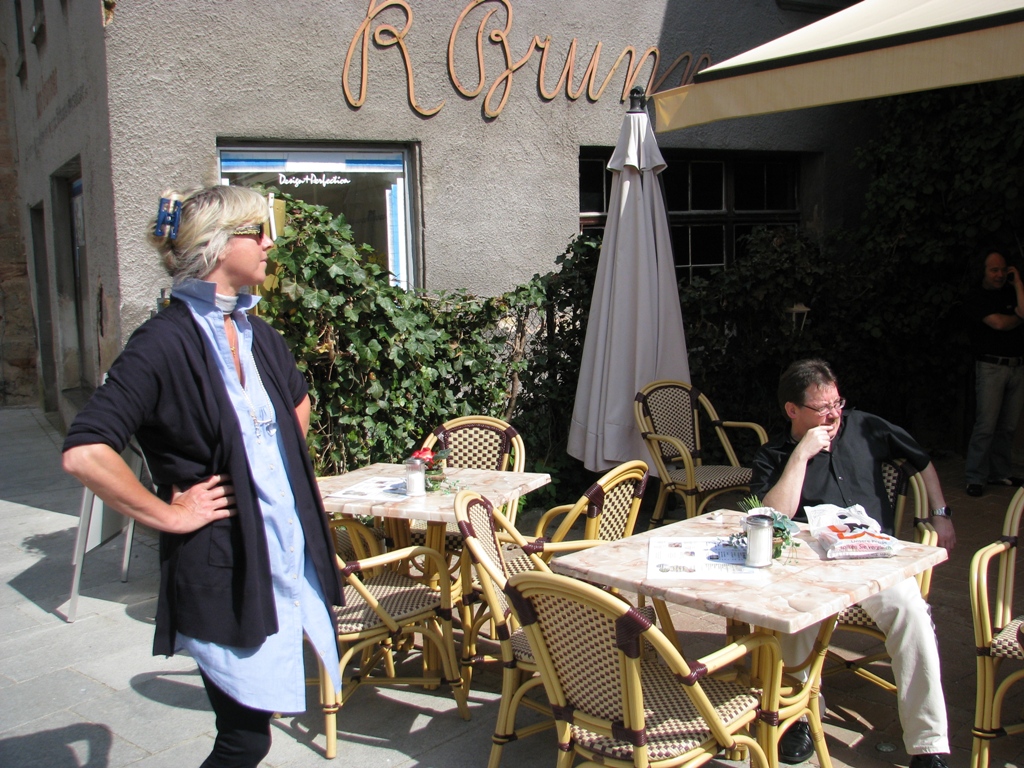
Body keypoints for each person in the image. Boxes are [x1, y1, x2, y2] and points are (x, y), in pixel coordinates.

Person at [62, 185, 343, 768]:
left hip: (278, 558)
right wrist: (169, 514)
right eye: (257, 232)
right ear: (218, 245)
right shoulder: (163, 342)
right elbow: (86, 452)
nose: (269, 244)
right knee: (244, 740)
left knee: (252, 730)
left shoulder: (257, 334)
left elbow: (297, 403)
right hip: (223, 567)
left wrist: (267, 457)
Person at [750, 359, 956, 768]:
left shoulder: (865, 427)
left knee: (912, 612)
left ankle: (929, 745)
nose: (834, 415)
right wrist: (802, 455)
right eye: (822, 408)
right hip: (809, 566)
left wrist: (941, 512)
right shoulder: (774, 455)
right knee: (791, 613)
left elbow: (921, 460)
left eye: (837, 403)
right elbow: (772, 519)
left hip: (875, 559)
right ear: (792, 410)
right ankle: (799, 717)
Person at [963, 247, 1024, 497]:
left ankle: (1000, 473)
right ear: (984, 271)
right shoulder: (976, 296)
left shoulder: (1012, 292)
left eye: (1003, 269)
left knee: (1008, 426)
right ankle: (975, 477)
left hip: (1017, 366)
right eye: (994, 270)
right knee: (986, 425)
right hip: (990, 367)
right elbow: (998, 323)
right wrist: (1017, 318)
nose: (999, 275)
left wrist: (1017, 283)